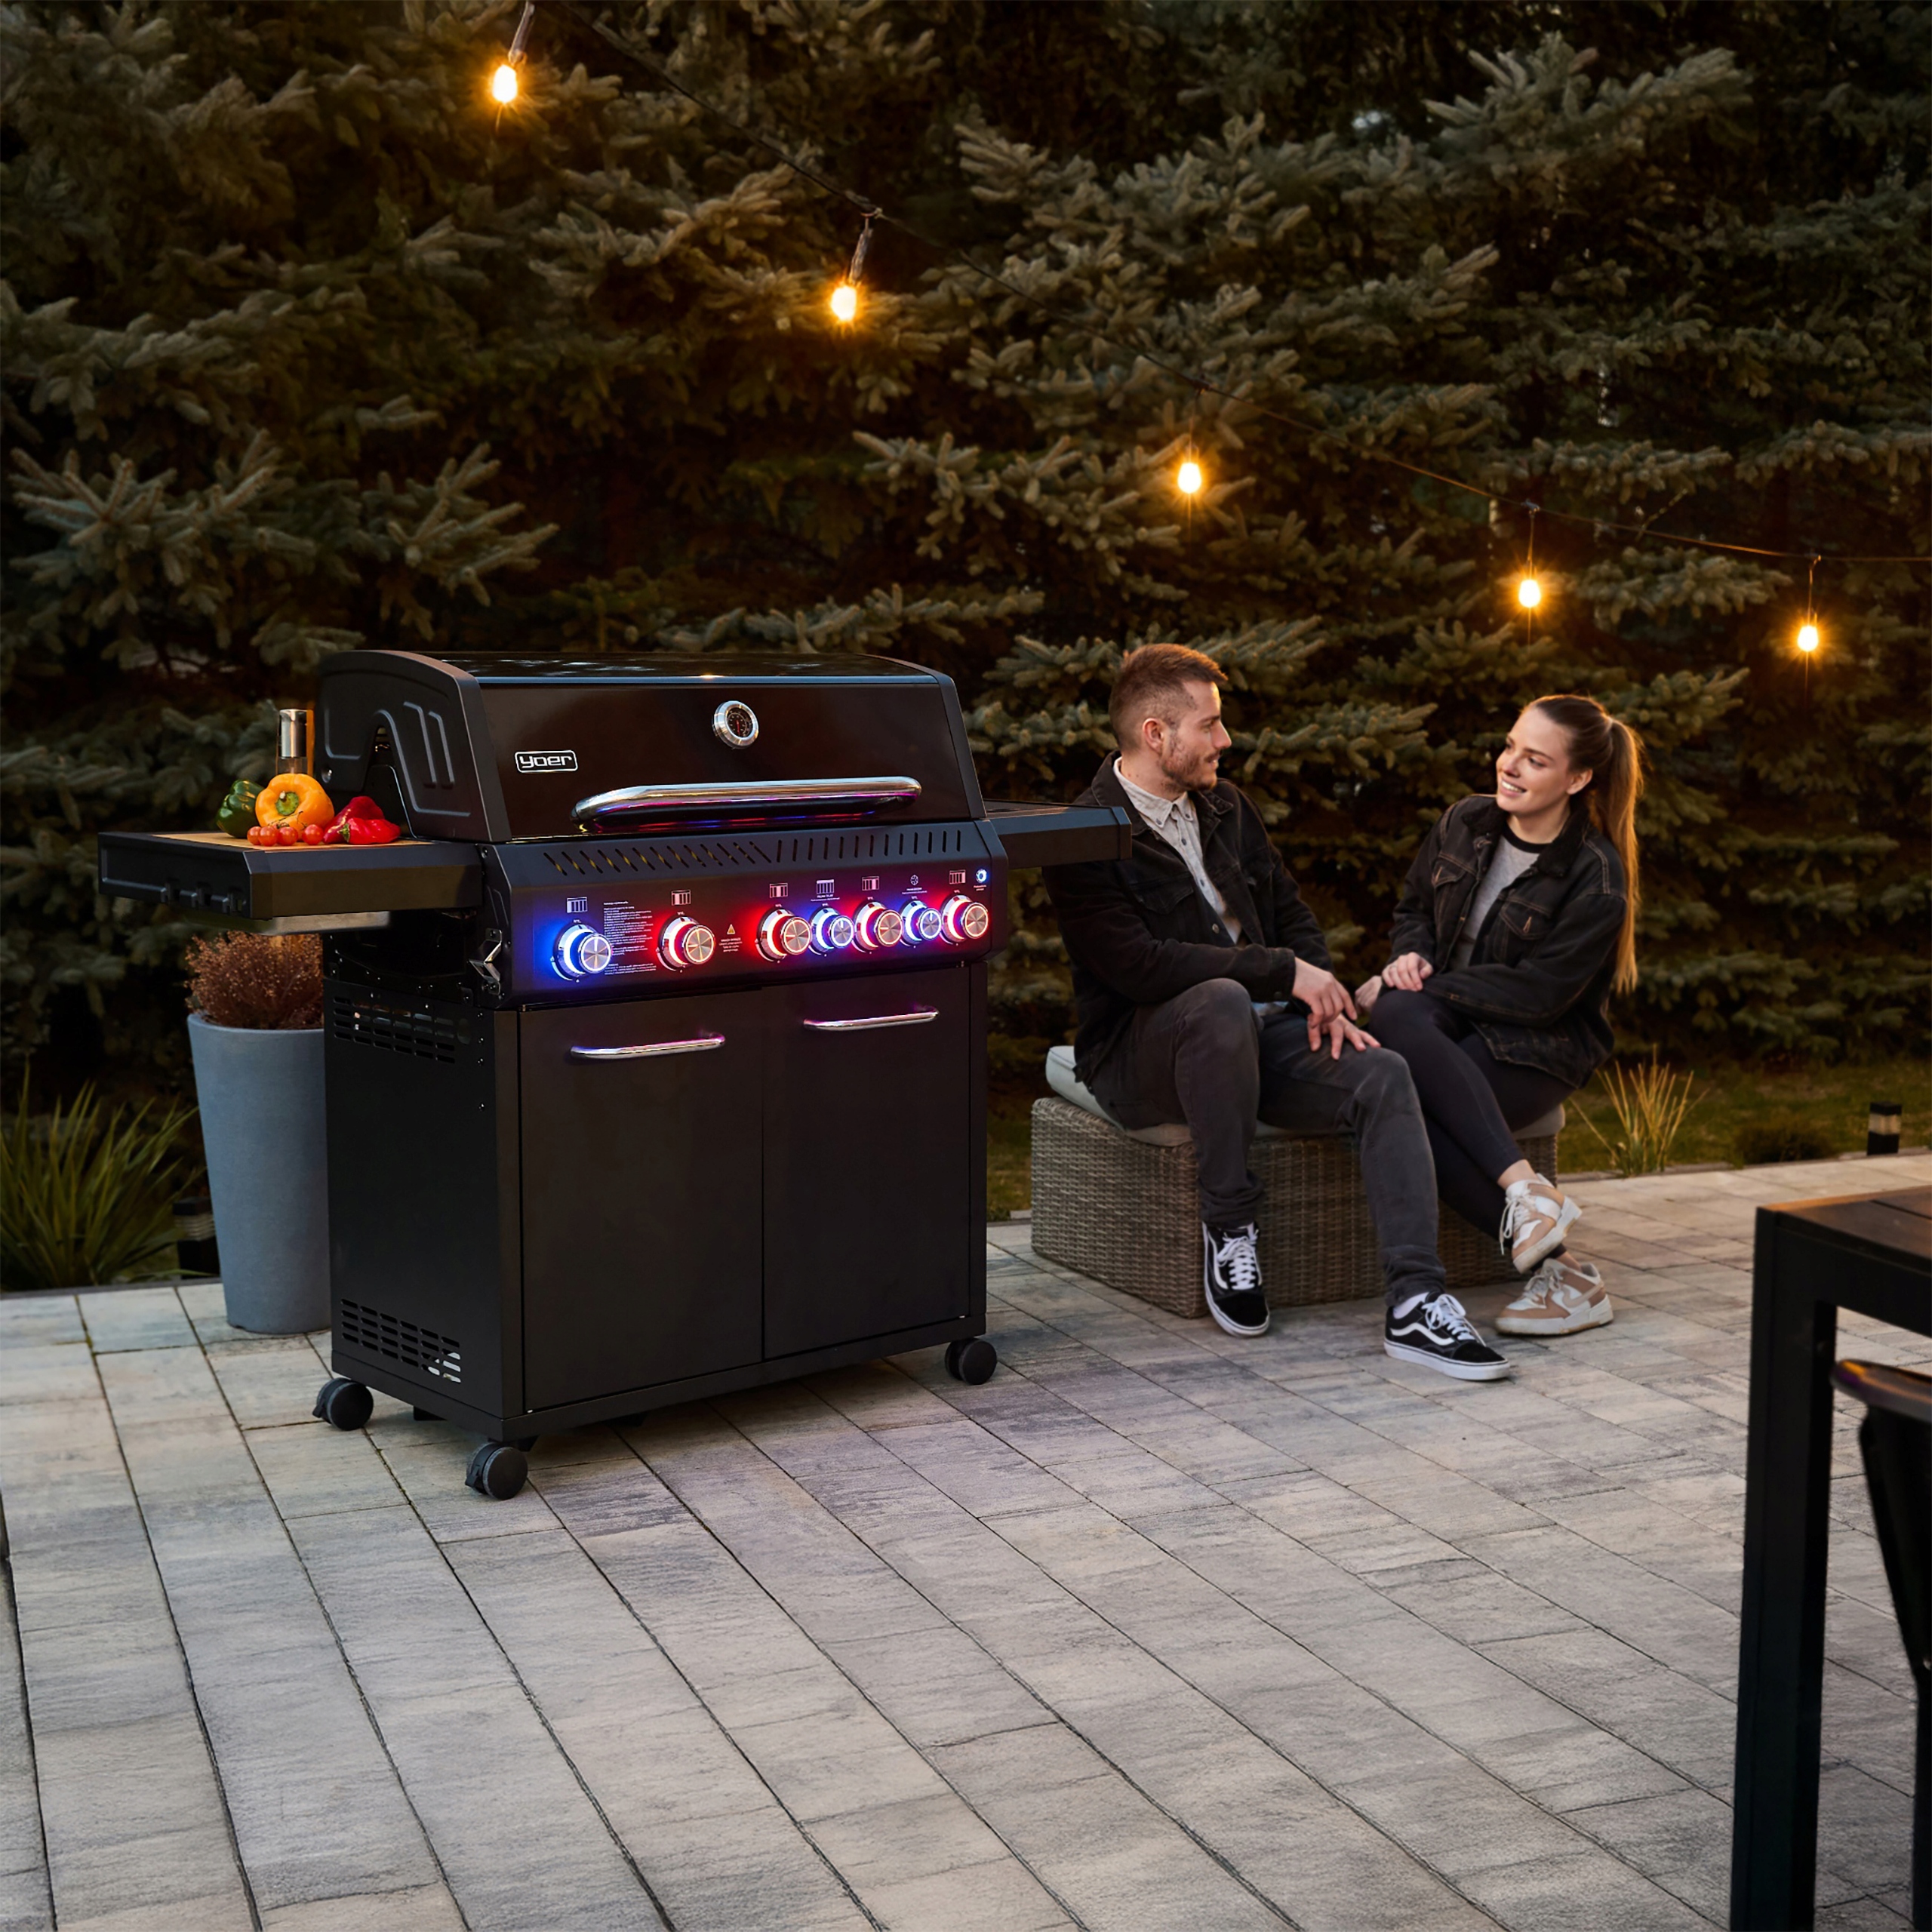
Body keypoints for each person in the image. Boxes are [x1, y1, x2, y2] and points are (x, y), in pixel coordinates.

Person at [1041, 643, 1511, 1381]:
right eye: (1210, 724)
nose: (1225, 740)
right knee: (1220, 1001)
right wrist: (1282, 972)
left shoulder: (1228, 808)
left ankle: (1416, 1301)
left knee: (1383, 1072)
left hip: (1261, 1035)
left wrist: (1321, 992)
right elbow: (1140, 967)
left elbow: (1290, 914)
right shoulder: (1084, 834)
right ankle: (1229, 1227)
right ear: (1156, 734)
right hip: (1142, 1056)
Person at [1355, 694, 1645, 1338]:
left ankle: (1557, 1260)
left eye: (1535, 760)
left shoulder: (1595, 876)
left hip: (1537, 1045)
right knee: (1398, 1029)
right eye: (1511, 746)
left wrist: (1424, 989)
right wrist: (1409, 957)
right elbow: (1413, 907)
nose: (1508, 766)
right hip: (1445, 1022)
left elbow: (1540, 995)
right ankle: (1536, 1214)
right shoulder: (1466, 821)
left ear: (1578, 779)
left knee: (1405, 1092)